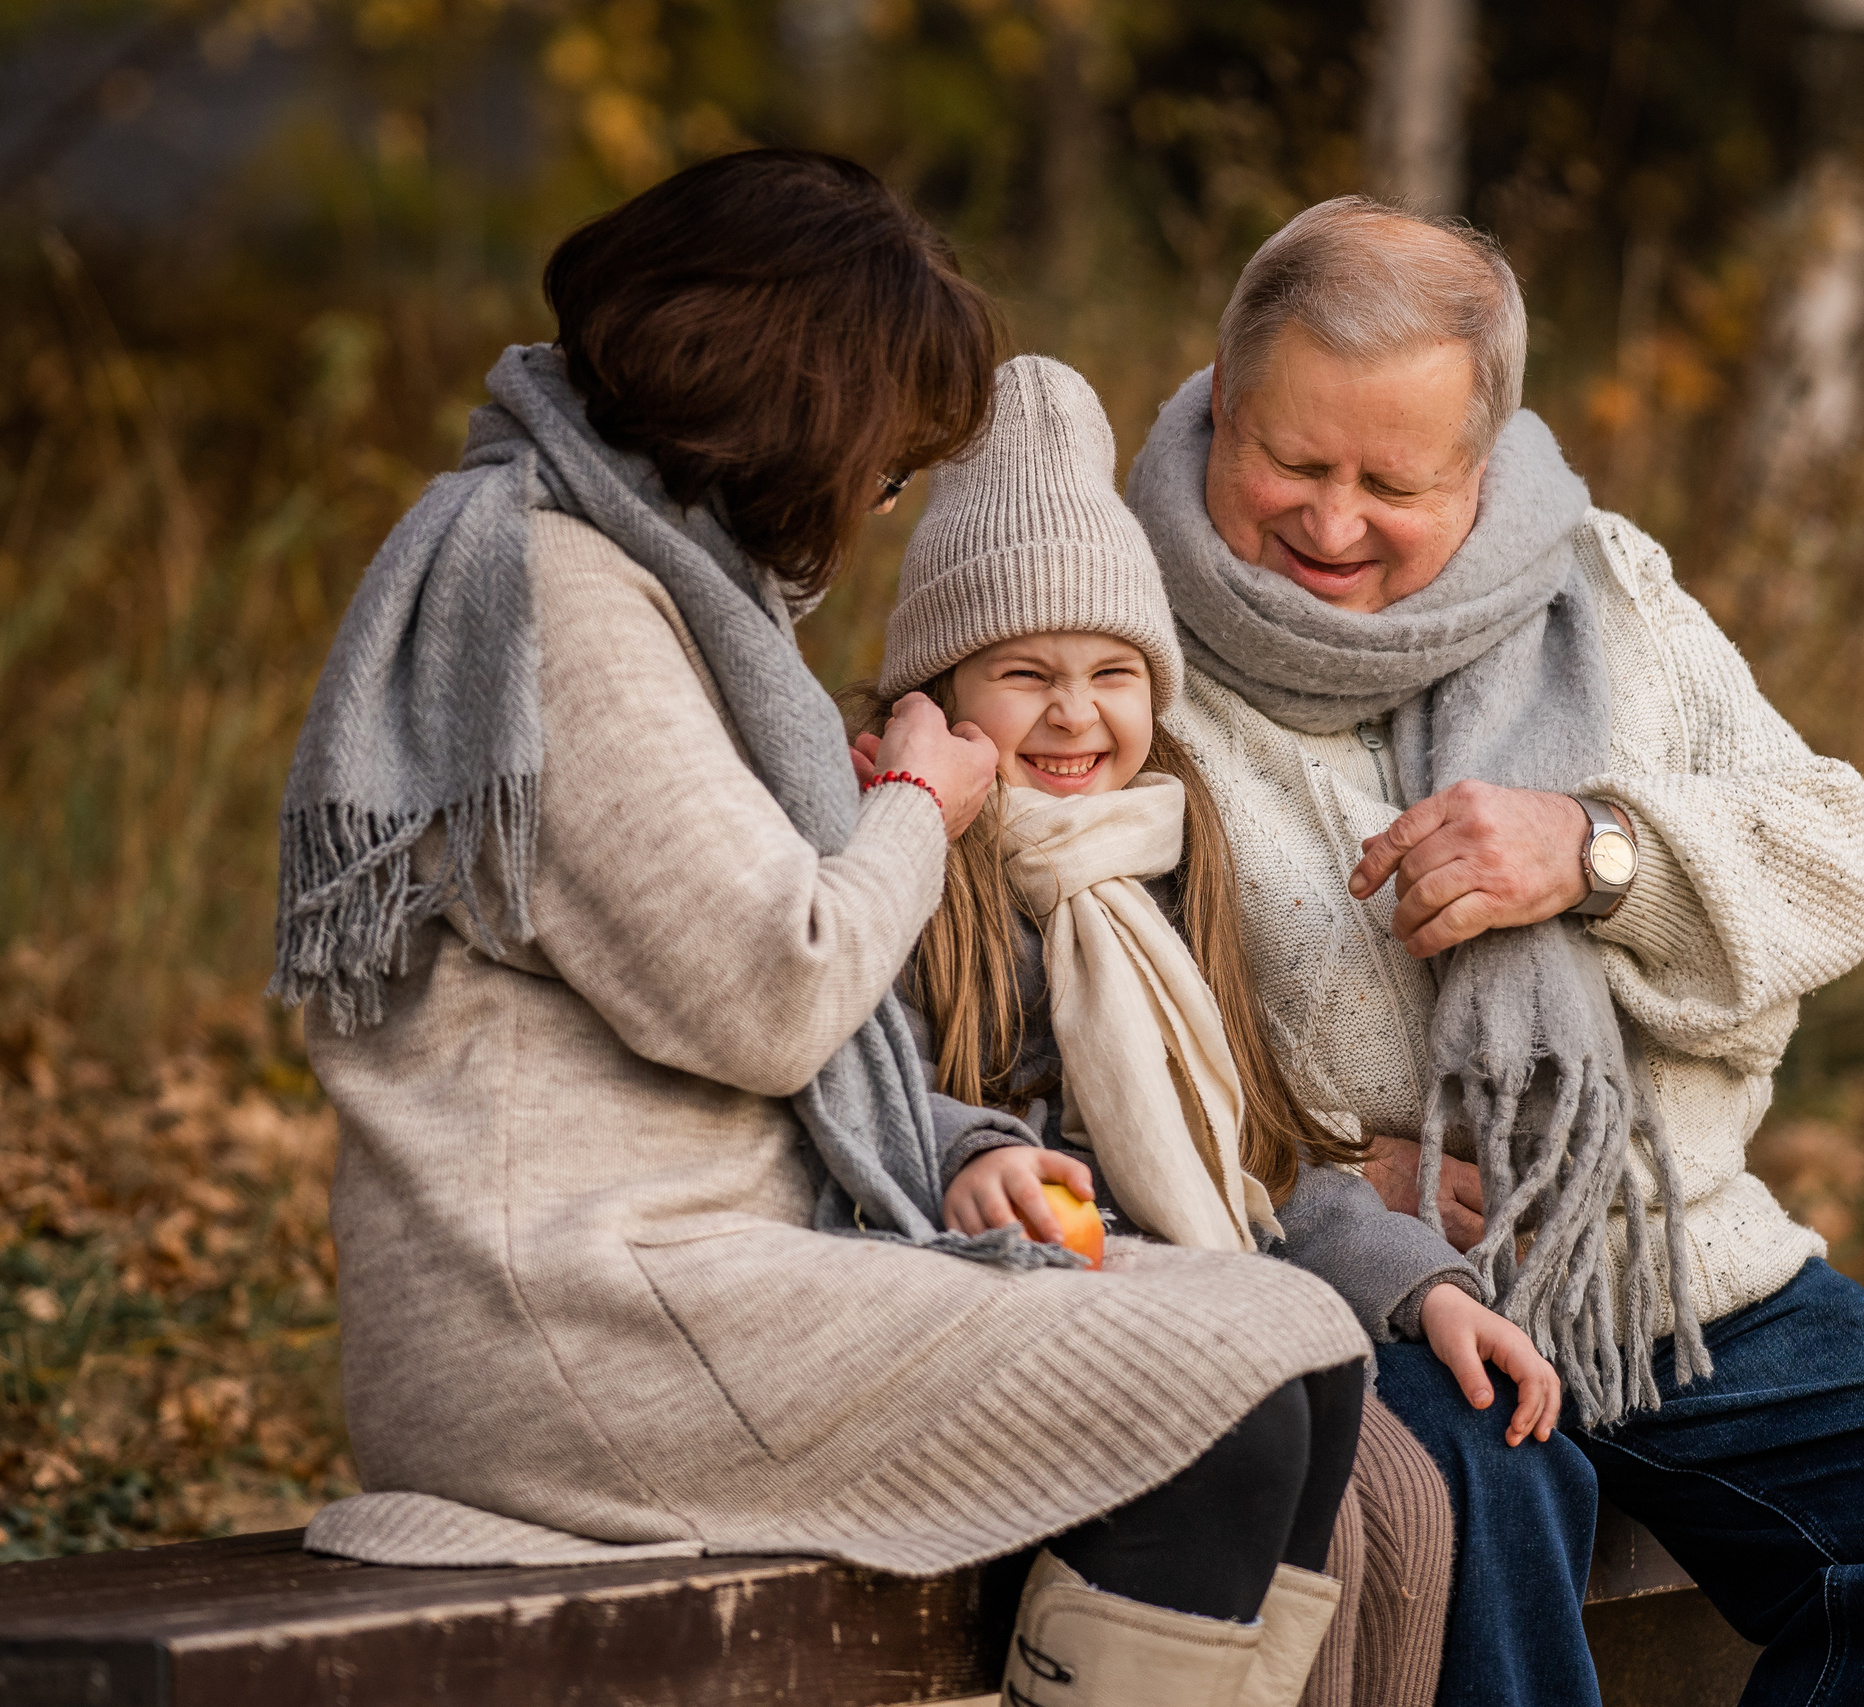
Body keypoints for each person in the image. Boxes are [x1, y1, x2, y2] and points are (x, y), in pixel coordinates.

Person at [269, 151, 1374, 1707]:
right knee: (1225, 1388)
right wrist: (917, 803)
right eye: (888, 458)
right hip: (575, 1320)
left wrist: (946, 1139)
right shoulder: (559, 600)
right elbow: (775, 990)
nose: (876, 499)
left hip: (707, 1271)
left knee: (1305, 1343)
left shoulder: (656, 589)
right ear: (805, 411)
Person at [1122, 195, 1864, 1707]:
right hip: (1342, 1286)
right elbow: (1048, 1020)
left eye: (1392, 481)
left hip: (1650, 1261)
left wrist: (1594, 854)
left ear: (1486, 461)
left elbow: (1827, 864)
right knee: (1479, 1500)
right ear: (1223, 399)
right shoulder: (1114, 640)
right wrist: (1338, 1180)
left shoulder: (1605, 592)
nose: (1329, 523)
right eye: (1292, 461)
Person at [863, 351, 1517, 1707]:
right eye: (1022, 671)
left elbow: (1253, 1168)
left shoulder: (1166, 866)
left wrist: (1420, 1280)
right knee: (1289, 1449)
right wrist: (968, 1149)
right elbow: (830, 1085)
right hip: (976, 1296)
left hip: (1187, 1290)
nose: (1072, 713)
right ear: (932, 693)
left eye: (1112, 672)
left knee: (1406, 1490)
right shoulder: (897, 855)